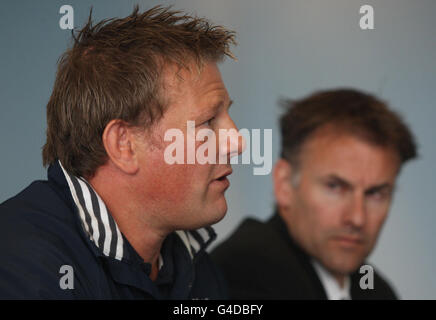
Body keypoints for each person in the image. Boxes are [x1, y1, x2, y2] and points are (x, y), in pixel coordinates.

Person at [0, 6, 243, 299]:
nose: (236, 142)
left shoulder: (190, 263)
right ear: (124, 145)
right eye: (207, 122)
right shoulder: (25, 267)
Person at [212, 89, 417, 300]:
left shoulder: (374, 289)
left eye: (375, 194)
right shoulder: (243, 272)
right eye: (335, 187)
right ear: (284, 184)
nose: (357, 218)